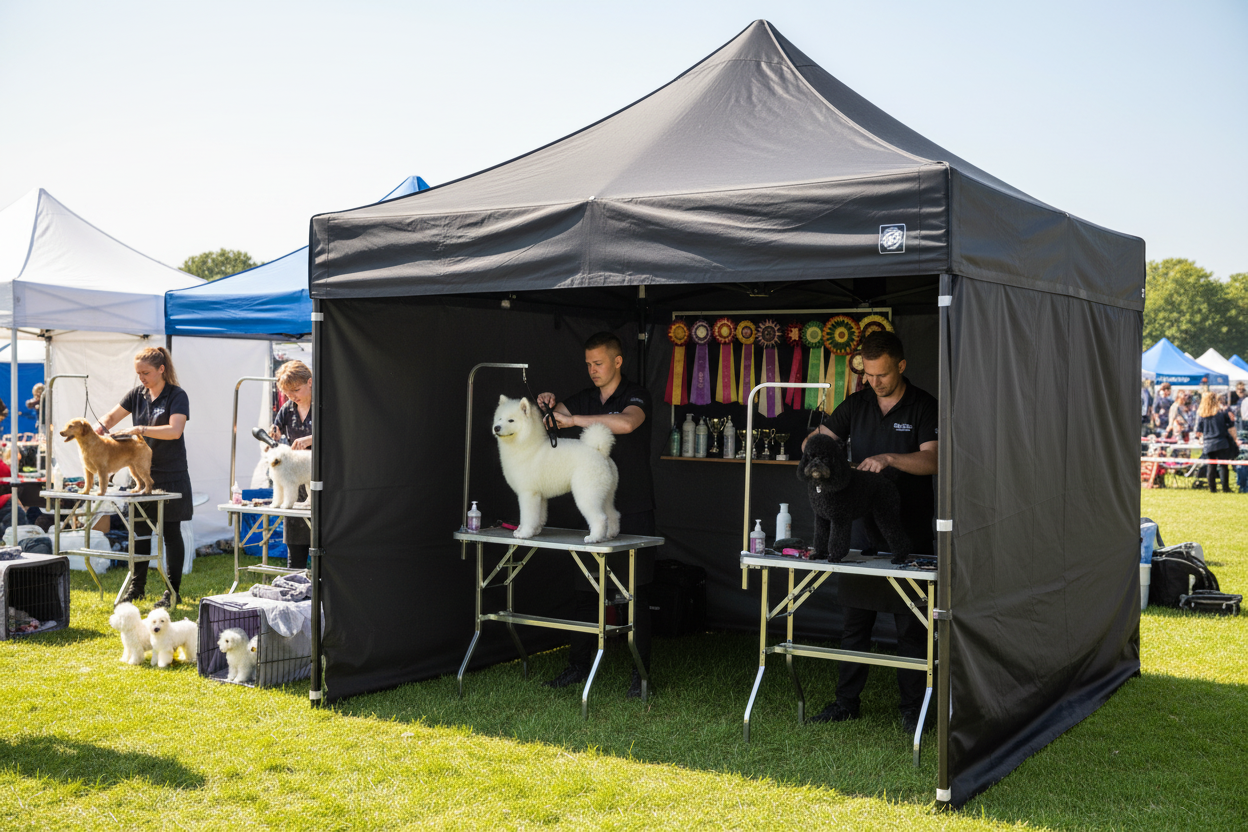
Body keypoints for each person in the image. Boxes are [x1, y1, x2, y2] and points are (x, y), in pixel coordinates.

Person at [802, 331, 938, 734]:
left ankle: (914, 709)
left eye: (881, 375)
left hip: (906, 530)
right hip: (858, 530)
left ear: (901, 366)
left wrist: (889, 458)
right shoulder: (856, 403)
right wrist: (817, 448)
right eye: (868, 374)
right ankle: (847, 702)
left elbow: (934, 460)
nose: (873, 382)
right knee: (854, 624)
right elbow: (819, 438)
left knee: (911, 627)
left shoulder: (923, 406)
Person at [536, 332, 655, 698]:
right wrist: (549, 406)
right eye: (588, 364)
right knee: (585, 591)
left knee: (636, 591)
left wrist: (574, 421)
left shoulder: (636, 394)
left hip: (633, 507)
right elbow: (552, 422)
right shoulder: (583, 398)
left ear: (618, 361)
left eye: (598, 363)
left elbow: (626, 423)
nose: (592, 370)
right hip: (593, 512)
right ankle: (578, 665)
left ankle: (640, 673)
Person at [96, 346, 193, 607]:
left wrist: (139, 428)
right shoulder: (137, 394)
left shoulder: (177, 395)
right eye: (138, 373)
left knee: (170, 532)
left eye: (146, 373)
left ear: (162, 369)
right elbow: (111, 416)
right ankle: (136, 589)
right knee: (139, 532)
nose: (142, 378)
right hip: (140, 475)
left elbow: (174, 431)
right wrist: (97, 430)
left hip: (170, 473)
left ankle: (172, 592)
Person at [268, 360, 313, 569]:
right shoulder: (287, 409)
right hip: (293, 481)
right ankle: (294, 587)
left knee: (322, 543)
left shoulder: (325, 404)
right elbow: (276, 429)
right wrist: (274, 432)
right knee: (295, 545)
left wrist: (311, 439)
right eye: (287, 393)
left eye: (296, 390)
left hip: (320, 483)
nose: (292, 396)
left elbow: (342, 435)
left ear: (310, 382)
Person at [1195, 392, 1235, 494]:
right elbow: (1231, 427)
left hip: (1209, 443)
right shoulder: (1222, 412)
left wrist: (1200, 440)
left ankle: (1213, 489)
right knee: (1223, 466)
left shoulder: (1202, 415)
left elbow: (1198, 432)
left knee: (1211, 467)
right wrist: (1234, 439)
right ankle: (1225, 488)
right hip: (1221, 442)